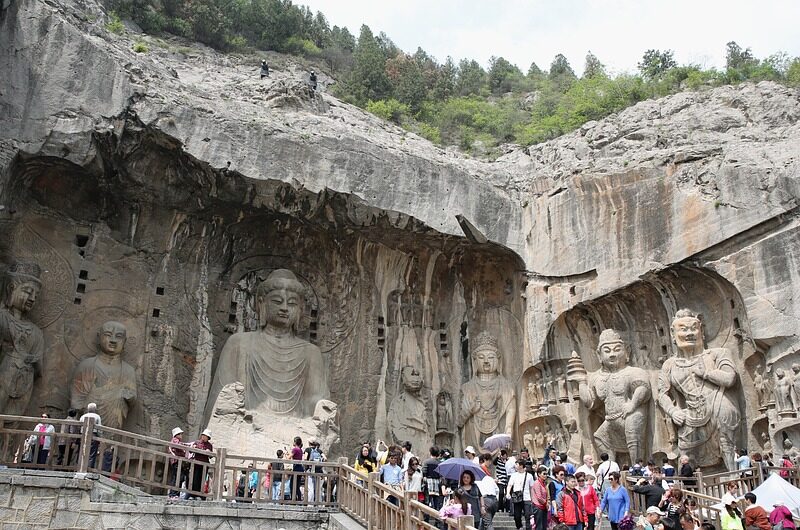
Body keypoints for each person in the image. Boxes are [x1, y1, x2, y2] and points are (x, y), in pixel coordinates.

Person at [506, 459, 534, 530]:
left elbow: (531, 488)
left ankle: (528, 528)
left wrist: (532, 498)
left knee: (528, 516)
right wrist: (508, 493)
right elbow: (510, 485)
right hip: (517, 497)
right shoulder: (514, 475)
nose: (515, 466)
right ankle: (519, 526)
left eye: (517, 464)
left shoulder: (529, 476)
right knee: (517, 516)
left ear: (521, 466)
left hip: (527, 498)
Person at [188, 429, 213, 499]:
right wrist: (193, 448)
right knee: (194, 479)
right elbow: (190, 451)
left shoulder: (209, 445)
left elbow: (211, 456)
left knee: (202, 480)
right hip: (196, 463)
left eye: (206, 436)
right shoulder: (197, 442)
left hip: (204, 465)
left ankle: (199, 495)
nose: (205, 437)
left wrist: (209, 452)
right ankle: (192, 495)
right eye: (204, 436)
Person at [79, 403, 102, 469]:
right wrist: (100, 437)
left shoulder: (83, 416)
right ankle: (89, 468)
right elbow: (99, 428)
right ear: (95, 409)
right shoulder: (97, 416)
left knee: (82, 451)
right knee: (92, 453)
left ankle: (80, 467)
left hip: (83, 435)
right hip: (93, 435)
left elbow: (80, 426)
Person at [477, 465, 499, 530]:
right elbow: (497, 489)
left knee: (488, 523)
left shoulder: (477, 479)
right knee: (485, 520)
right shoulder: (490, 478)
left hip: (485, 500)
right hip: (494, 500)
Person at [167, 427, 186, 498]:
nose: (181, 435)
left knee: (178, 477)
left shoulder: (177, 441)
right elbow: (179, 447)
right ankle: (173, 494)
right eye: (180, 434)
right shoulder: (175, 440)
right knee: (177, 477)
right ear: (177, 434)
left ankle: (175, 494)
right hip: (176, 461)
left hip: (178, 462)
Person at [422, 446, 443, 511]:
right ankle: (437, 518)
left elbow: (424, 472)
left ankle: (427, 517)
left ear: (430, 452)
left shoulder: (426, 462)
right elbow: (441, 474)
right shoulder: (440, 463)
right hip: (438, 482)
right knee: (437, 501)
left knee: (427, 501)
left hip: (428, 482)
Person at [531, 466, 550, 530]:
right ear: (539, 474)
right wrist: (546, 503)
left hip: (543, 506)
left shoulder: (544, 483)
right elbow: (539, 497)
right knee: (539, 526)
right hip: (538, 507)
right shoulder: (537, 483)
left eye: (546, 474)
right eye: (544, 474)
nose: (545, 475)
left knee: (544, 526)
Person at [494, 449, 510, 513]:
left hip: (507, 480)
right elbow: (494, 462)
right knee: (501, 494)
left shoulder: (508, 462)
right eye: (503, 455)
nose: (504, 457)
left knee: (507, 494)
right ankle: (500, 507)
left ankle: (507, 508)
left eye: (505, 455)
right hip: (500, 480)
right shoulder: (498, 461)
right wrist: (498, 456)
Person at [291, 436, 304, 501]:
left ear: (295, 442)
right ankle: (299, 499)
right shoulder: (300, 449)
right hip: (300, 468)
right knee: (297, 485)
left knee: (292, 485)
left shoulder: (295, 449)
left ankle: (293, 499)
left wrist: (286, 454)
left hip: (296, 468)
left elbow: (289, 457)